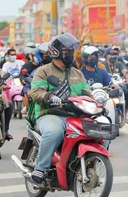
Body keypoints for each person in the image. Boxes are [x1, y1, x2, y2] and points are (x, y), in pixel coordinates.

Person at [27, 33, 88, 183]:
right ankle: (40, 168)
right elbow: (36, 92)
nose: (71, 55)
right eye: (67, 51)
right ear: (56, 52)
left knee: (100, 127)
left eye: (71, 51)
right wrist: (50, 97)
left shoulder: (77, 73)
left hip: (75, 115)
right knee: (54, 131)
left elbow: (88, 93)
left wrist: (98, 102)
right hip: (50, 113)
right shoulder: (44, 71)